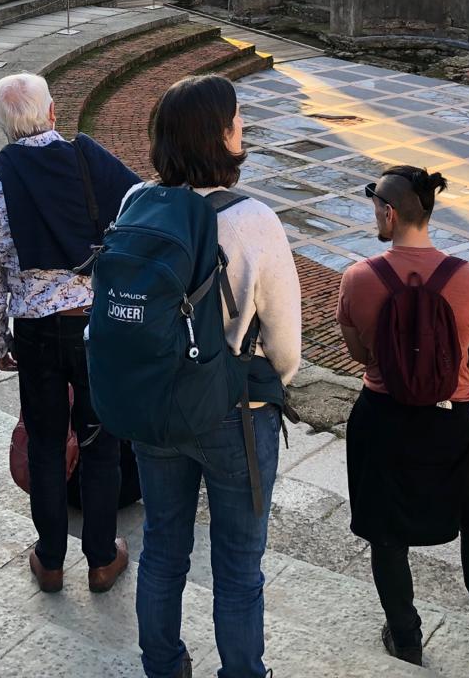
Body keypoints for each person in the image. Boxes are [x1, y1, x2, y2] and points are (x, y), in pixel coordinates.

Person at [129, 74, 301, 678]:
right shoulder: (254, 219)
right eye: (237, 121)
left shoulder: (137, 203)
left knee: (162, 547)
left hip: (153, 404)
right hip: (234, 414)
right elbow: (285, 345)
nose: (243, 129)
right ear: (217, 136)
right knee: (237, 566)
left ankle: (165, 666)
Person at [337, 165, 469, 668]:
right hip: (451, 420)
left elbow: (361, 353)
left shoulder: (359, 278)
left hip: (382, 417)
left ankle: (406, 637)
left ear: (388, 212)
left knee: (386, 530)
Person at [0, 72, 140, 596]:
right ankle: (101, 557)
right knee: (100, 441)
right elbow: (136, 214)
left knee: (46, 443)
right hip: (96, 326)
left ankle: (50, 560)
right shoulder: (92, 160)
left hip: (37, 333)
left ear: (1, 126)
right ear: (52, 114)